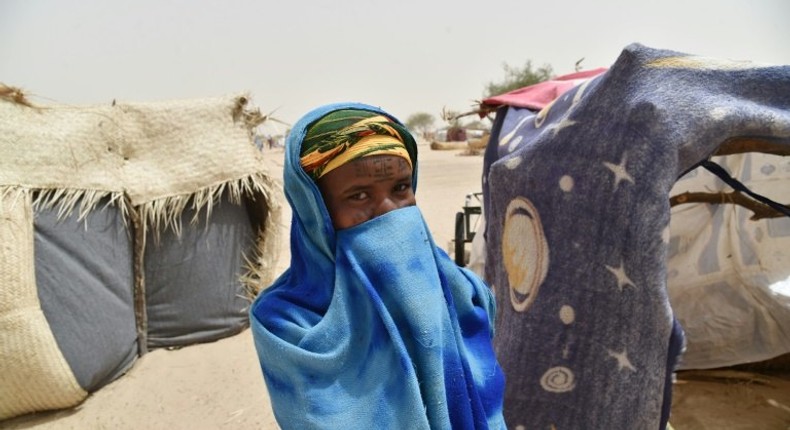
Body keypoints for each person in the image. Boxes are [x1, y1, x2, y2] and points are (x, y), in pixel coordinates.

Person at [249, 102, 505, 429]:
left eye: (401, 188)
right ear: (317, 212)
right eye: (358, 196)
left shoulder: (460, 289)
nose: (388, 211)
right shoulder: (287, 321)